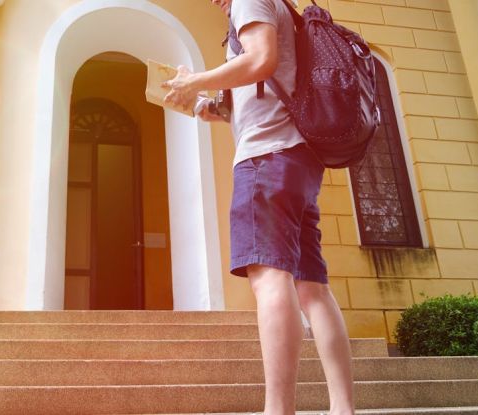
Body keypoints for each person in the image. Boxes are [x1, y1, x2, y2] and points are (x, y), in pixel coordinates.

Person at [163, 0, 355, 414]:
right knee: (312, 289)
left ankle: (278, 410)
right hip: (298, 158)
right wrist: (200, 104)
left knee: (270, 279)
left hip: (266, 160)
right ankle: (343, 408)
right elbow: (259, 88)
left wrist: (195, 80)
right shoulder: (279, 7)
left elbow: (262, 60)